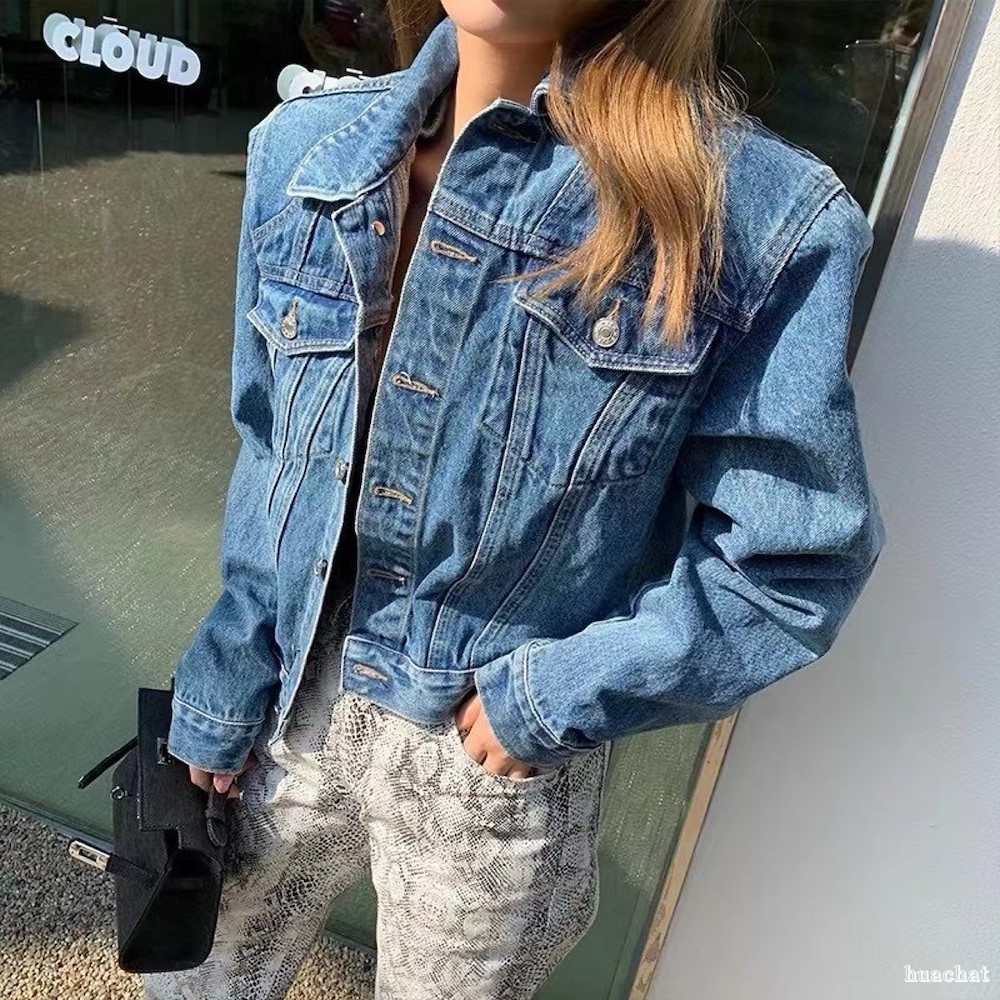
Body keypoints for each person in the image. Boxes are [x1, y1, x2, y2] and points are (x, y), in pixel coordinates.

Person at [144, 2, 885, 997]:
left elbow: (793, 560)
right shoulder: (306, 151)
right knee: (198, 982)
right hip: (286, 701)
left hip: (484, 758)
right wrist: (224, 674)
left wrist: (548, 700)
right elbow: (274, 449)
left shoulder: (749, 216)